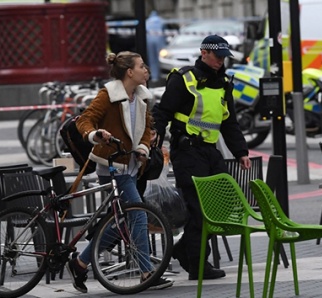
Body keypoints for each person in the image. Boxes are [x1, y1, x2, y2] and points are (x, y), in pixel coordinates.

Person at [66, 51, 174, 293]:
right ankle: (148, 272)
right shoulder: (109, 94)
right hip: (112, 165)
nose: (146, 70)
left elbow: (146, 128)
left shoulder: (141, 97)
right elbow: (85, 120)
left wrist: (144, 148)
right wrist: (95, 135)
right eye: (142, 66)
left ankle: (81, 263)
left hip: (133, 166)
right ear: (129, 72)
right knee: (138, 214)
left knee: (124, 223)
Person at [153, 35, 251, 280]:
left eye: (223, 57)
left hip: (210, 152)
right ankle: (198, 265)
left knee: (220, 207)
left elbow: (229, 122)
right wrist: (154, 142)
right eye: (217, 56)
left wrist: (241, 152)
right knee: (200, 210)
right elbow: (162, 112)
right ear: (204, 52)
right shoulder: (184, 79)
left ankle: (183, 249)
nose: (220, 61)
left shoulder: (224, 83)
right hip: (188, 152)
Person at [146, 10, 166, 84]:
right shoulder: (161, 20)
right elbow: (165, 30)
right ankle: (162, 73)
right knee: (161, 57)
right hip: (159, 40)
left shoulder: (147, 21)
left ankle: (154, 76)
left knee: (152, 58)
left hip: (149, 40)